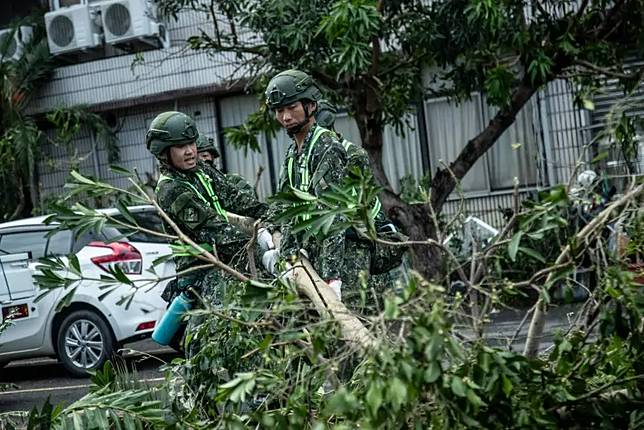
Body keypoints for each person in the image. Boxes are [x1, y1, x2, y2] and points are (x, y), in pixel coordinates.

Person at [145, 111, 274, 349]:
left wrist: (271, 218)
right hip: (203, 273)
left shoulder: (202, 171)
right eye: (181, 146)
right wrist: (263, 254)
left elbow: (236, 198)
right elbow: (214, 230)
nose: (190, 151)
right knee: (215, 344)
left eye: (192, 143)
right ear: (164, 152)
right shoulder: (170, 190)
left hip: (228, 262)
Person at [264, 70, 348, 301]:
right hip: (312, 252)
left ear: (310, 105)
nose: (285, 117)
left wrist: (333, 278)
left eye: (291, 107)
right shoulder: (294, 152)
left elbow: (333, 213)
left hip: (343, 256)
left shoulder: (325, 146)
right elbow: (287, 206)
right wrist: (286, 254)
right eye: (280, 110)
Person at [315, 100, 407, 304]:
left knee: (356, 304)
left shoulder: (351, 154)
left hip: (354, 240)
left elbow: (361, 199)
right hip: (326, 242)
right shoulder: (307, 154)